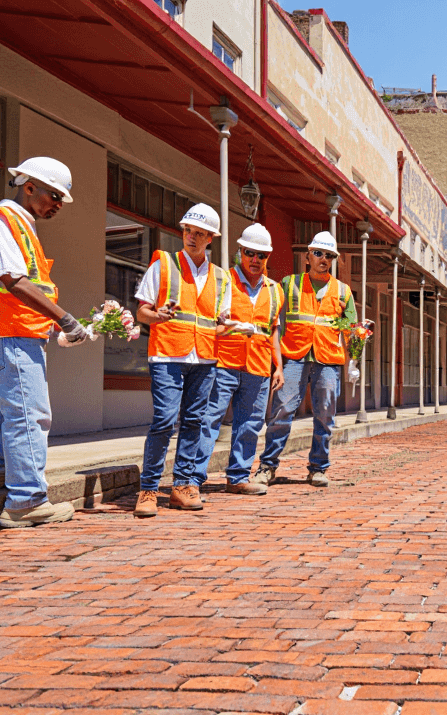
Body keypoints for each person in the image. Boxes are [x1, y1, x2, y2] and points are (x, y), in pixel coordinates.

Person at [0, 157, 87, 528]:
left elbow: (25, 287)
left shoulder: (20, 224)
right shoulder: (1, 219)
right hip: (8, 330)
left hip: (12, 329)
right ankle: (27, 501)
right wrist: (64, 318)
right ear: (28, 186)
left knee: (5, 406)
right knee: (29, 413)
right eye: (54, 195)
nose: (58, 205)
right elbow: (13, 280)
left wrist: (52, 325)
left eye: (61, 199)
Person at [133, 203, 233, 517]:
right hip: (167, 355)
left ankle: (182, 486)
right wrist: (157, 315)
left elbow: (218, 324)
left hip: (204, 359)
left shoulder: (221, 278)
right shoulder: (163, 265)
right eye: (188, 230)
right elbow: (142, 312)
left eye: (199, 233)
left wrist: (231, 327)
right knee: (164, 421)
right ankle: (148, 489)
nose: (191, 237)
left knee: (193, 422)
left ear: (210, 238)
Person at [253, 231, 356, 488]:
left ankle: (318, 468)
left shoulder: (343, 291)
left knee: (325, 415)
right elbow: (272, 316)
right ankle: (267, 466)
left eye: (329, 255)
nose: (324, 259)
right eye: (318, 253)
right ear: (308, 256)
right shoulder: (289, 283)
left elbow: (353, 330)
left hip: (328, 360)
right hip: (294, 357)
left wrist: (354, 360)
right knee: (282, 411)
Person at [195, 223, 285, 495]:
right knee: (209, 420)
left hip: (258, 366)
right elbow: (209, 322)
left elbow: (273, 330)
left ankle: (238, 477)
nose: (255, 259)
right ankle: (192, 479)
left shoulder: (275, 290)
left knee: (250, 424)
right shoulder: (223, 281)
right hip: (223, 362)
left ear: (268, 257)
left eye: (261, 255)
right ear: (240, 252)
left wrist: (278, 366)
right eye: (249, 253)